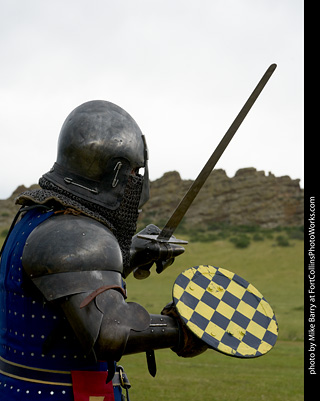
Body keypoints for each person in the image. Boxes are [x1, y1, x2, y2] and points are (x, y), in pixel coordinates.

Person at [0, 100, 206, 401]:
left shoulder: (38, 215)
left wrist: (130, 252)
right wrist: (181, 329)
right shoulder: (73, 233)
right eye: (134, 170)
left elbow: (66, 281)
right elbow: (107, 333)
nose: (137, 179)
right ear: (116, 171)